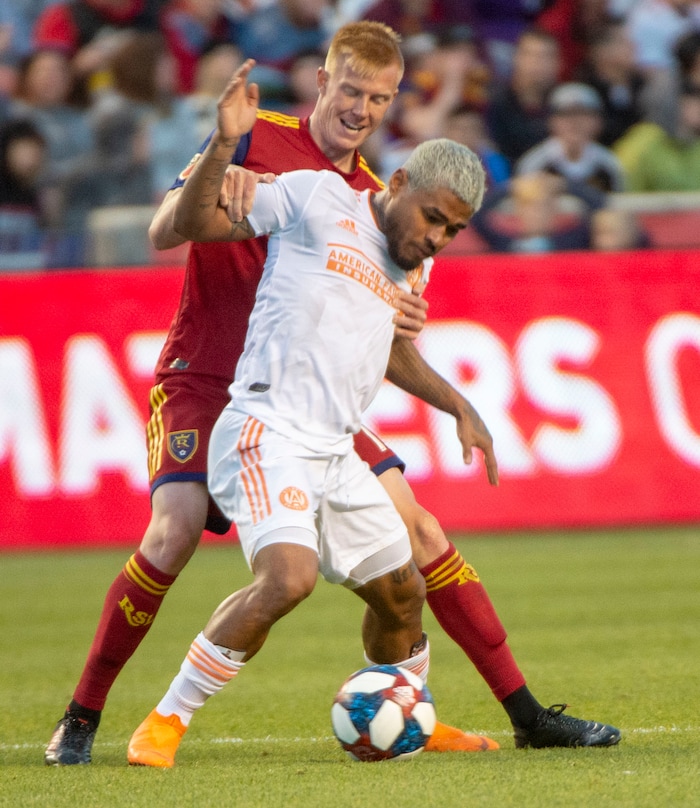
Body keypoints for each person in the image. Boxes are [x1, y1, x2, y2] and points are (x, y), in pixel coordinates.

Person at [45, 21, 619, 767]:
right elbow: (165, 229)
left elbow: (377, 342)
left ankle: (507, 713)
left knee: (421, 538)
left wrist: (431, 369)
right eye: (352, 90)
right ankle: (82, 717)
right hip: (210, 374)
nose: (362, 109)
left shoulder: (386, 204)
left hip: (317, 402)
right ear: (322, 81)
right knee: (174, 532)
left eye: (379, 99)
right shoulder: (258, 136)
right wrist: (220, 163)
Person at [126, 61, 488, 768]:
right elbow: (191, 224)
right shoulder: (317, 196)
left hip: (336, 448)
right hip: (266, 431)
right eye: (433, 218)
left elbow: (387, 349)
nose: (439, 236)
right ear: (399, 184)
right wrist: (223, 149)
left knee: (403, 592)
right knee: (287, 578)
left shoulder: (412, 263)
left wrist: (457, 403)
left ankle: (409, 710)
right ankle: (166, 720)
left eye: (454, 229)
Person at [514, 81, 627, 192]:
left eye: (583, 114)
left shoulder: (609, 164)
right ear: (551, 121)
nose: (575, 122)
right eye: (566, 114)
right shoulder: (536, 163)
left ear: (598, 121)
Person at [470, 171, 606, 253]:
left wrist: (562, 184)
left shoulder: (572, 239)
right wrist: (509, 187)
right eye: (529, 208)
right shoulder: (503, 241)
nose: (537, 214)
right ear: (519, 212)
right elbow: (474, 216)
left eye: (543, 208)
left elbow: (600, 206)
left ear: (554, 212)